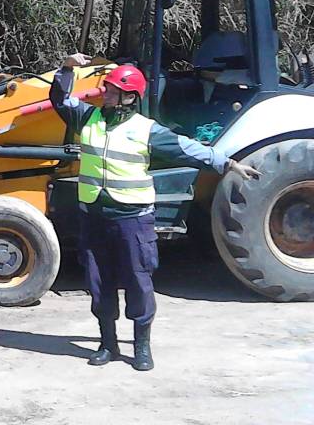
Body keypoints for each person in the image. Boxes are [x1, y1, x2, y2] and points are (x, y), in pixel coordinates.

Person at [50, 53, 260, 371]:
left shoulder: (147, 130)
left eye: (110, 89)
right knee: (99, 283)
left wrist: (227, 163)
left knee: (138, 282)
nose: (103, 92)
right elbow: (59, 98)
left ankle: (142, 347)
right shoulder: (87, 118)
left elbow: (188, 148)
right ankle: (107, 344)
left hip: (132, 220)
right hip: (94, 216)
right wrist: (66, 69)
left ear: (128, 97)